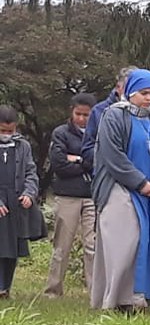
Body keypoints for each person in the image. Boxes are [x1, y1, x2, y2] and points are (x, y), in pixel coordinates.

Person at [91, 69, 150, 311]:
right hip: (120, 186)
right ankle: (121, 298)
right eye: (143, 93)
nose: (148, 98)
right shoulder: (114, 116)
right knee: (127, 242)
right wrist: (140, 183)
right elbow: (112, 155)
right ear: (130, 91)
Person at [44, 93, 97, 297]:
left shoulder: (98, 133)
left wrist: (77, 159)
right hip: (67, 195)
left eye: (86, 115)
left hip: (91, 195)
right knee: (62, 246)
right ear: (71, 112)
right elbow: (59, 164)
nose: (81, 118)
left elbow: (98, 161)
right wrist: (85, 163)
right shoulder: (61, 133)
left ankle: (95, 291)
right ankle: (53, 290)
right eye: (78, 114)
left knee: (92, 245)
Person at [0, 106, 41, 298]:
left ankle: (5, 288)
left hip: (15, 203)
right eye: (3, 130)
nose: (7, 134)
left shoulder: (23, 146)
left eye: (11, 131)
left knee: (12, 249)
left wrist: (29, 194)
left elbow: (31, 172)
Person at [81, 65, 139, 170]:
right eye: (128, 87)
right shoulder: (99, 111)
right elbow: (87, 149)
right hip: (110, 174)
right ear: (118, 87)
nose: (132, 92)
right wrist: (112, 157)